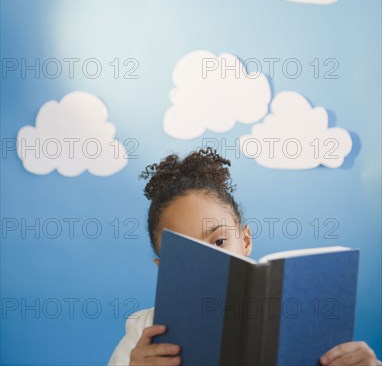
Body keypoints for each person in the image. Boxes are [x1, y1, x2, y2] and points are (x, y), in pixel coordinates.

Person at [108, 148, 381, 366]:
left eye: (219, 241)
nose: (207, 260)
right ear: (163, 269)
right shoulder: (144, 333)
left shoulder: (301, 316)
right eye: (186, 251)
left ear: (246, 240)